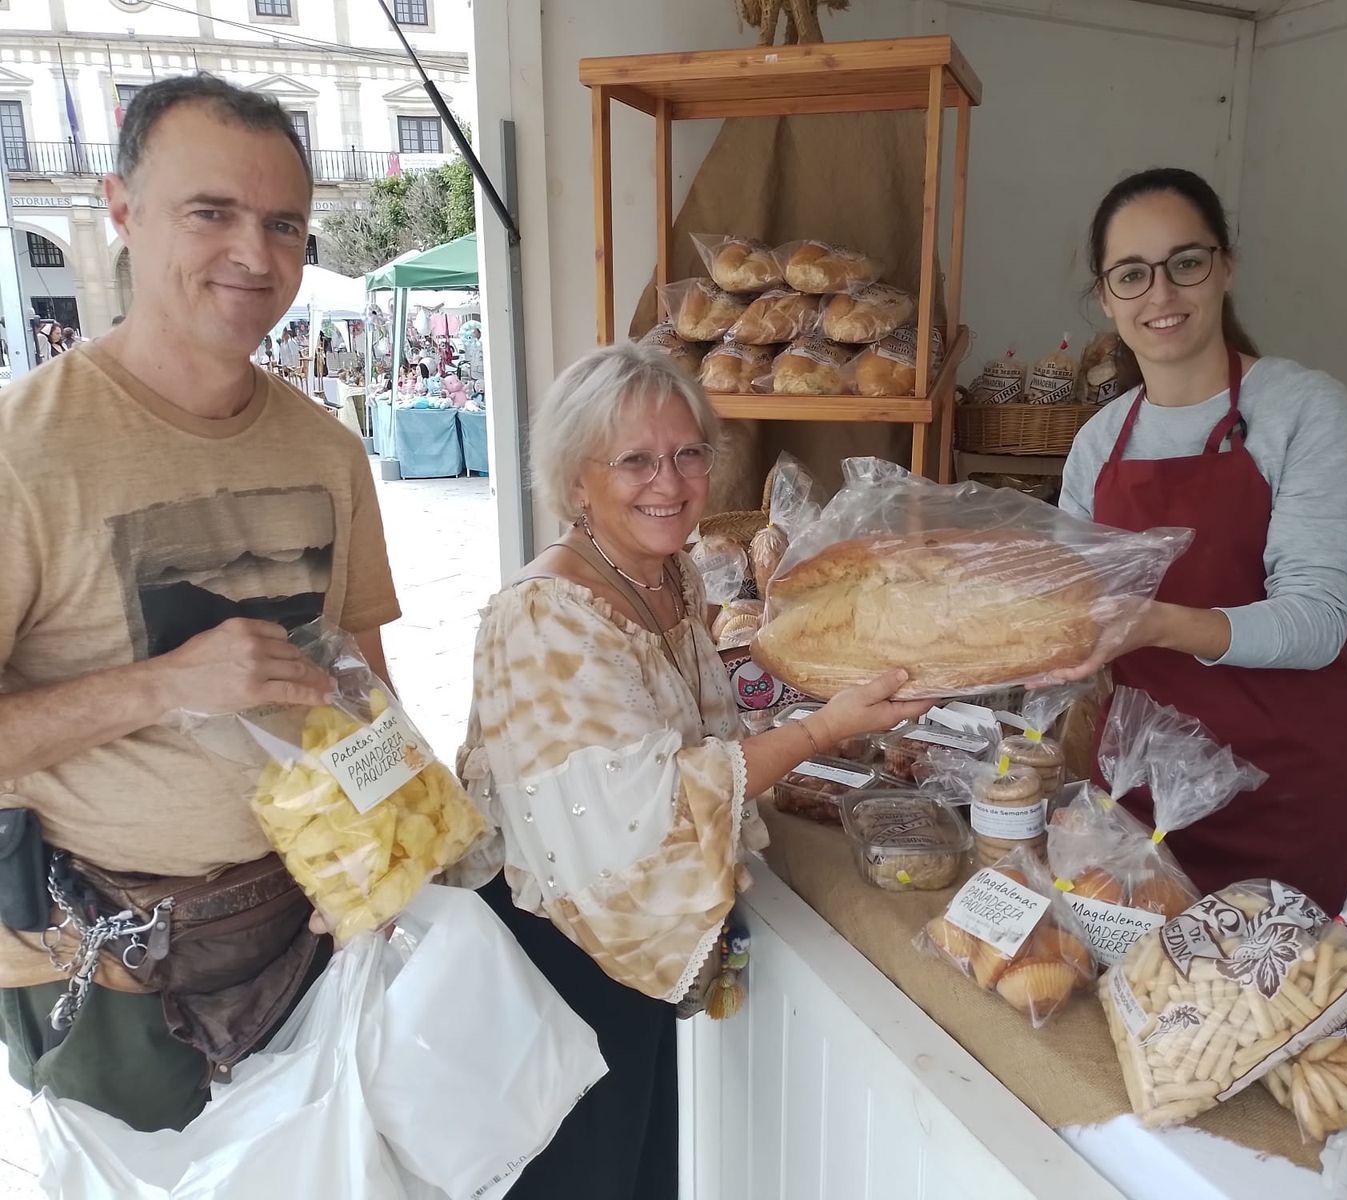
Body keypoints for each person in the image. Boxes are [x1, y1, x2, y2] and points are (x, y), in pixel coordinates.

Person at [0, 73, 399, 1132]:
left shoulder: (326, 448)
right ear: (121, 210)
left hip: (305, 930)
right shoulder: (21, 452)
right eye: (210, 212)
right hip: (107, 966)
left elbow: (363, 673)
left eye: (282, 223)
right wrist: (166, 685)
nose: (255, 255)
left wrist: (386, 840)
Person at [462, 342, 929, 1199]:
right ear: (575, 483)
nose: (669, 483)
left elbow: (691, 725)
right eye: (634, 460)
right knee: (580, 1174)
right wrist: (825, 728)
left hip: (638, 937)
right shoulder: (545, 615)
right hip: (569, 947)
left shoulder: (669, 571)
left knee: (650, 1170)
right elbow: (642, 804)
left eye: (688, 454)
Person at [1057, 167, 1347, 913]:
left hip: (1288, 793)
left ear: (1225, 267)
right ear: (1106, 297)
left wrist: (1158, 625)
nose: (1161, 295)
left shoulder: (1302, 409)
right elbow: (1067, 605)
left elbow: (1319, 619)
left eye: (1187, 264)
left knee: (1290, 1016)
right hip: (1144, 797)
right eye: (1133, 275)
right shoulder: (1098, 442)